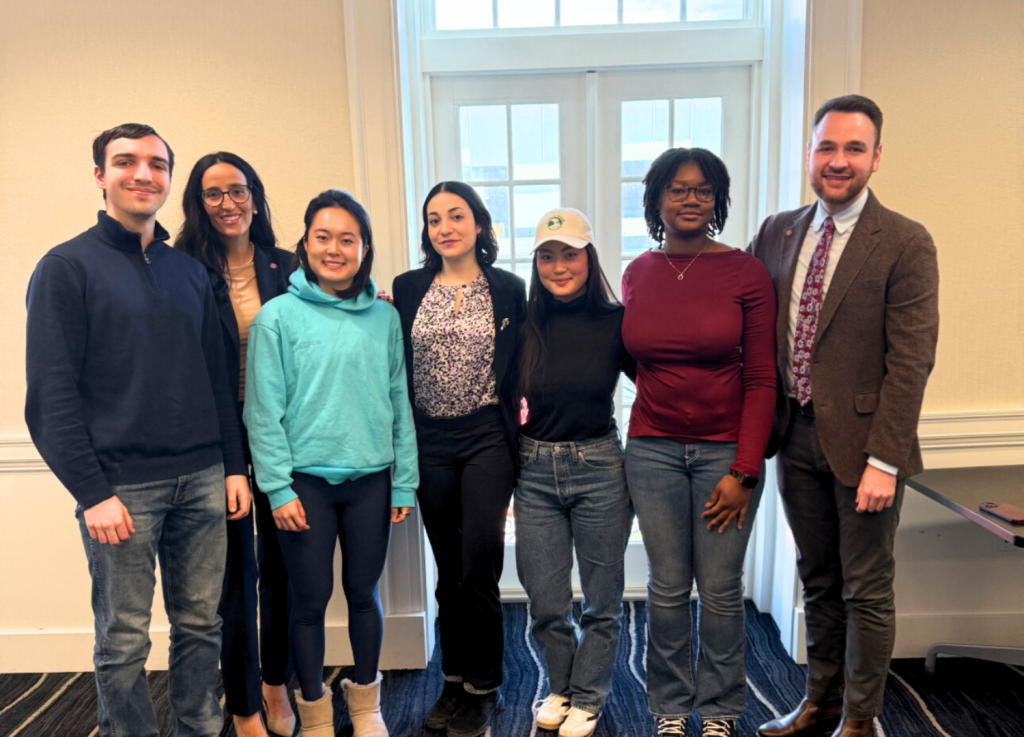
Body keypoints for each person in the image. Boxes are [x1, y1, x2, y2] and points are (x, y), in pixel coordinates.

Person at [25, 124, 250, 737]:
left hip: (204, 480)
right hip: (122, 492)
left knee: (201, 625)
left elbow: (217, 376)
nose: (143, 174)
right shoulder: (66, 268)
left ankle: (199, 728)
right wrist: (92, 492)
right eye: (126, 162)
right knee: (123, 640)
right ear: (100, 175)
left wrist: (232, 466)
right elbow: (50, 396)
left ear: (169, 179)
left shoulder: (189, 272)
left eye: (156, 164)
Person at [751, 95, 939, 737]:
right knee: (819, 579)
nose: (838, 160)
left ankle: (861, 719)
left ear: (876, 157)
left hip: (867, 450)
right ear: (809, 154)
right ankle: (820, 702)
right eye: (826, 147)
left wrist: (884, 460)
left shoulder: (906, 242)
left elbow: (911, 361)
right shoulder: (778, 231)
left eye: (854, 148)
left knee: (865, 586)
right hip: (794, 436)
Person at [243, 189, 417, 737]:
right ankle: (314, 710)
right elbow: (262, 412)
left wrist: (404, 484)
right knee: (309, 600)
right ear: (305, 243)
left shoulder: (384, 318)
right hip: (303, 485)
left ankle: (366, 706)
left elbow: (398, 403)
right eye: (324, 237)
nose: (335, 249)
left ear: (364, 248)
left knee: (364, 596)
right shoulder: (277, 318)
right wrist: (276, 488)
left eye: (348, 239)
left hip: (370, 481)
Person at [622, 148, 777, 737]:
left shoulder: (745, 271)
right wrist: (670, 397)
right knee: (665, 587)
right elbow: (639, 360)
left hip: (724, 454)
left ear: (718, 200)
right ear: (657, 198)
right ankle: (668, 707)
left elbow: (762, 378)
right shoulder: (638, 271)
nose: (691, 199)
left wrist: (744, 472)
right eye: (678, 189)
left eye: (704, 190)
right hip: (653, 450)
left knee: (718, 589)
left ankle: (718, 710)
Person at [392, 181, 526, 737]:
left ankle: (484, 685)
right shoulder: (406, 288)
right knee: (448, 567)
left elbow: (522, 364)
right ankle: (452, 680)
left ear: (478, 223)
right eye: (433, 218)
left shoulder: (508, 288)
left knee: (479, 565)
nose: (444, 227)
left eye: (456, 215)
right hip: (428, 441)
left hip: (486, 439)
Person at [174, 152, 295, 737]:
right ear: (198, 202)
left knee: (283, 571)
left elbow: (333, 316)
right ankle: (244, 705)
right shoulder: (181, 270)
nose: (228, 203)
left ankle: (277, 688)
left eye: (238, 190)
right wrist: (229, 460)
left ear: (255, 195)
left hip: (284, 437)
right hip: (215, 442)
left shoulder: (289, 267)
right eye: (214, 193)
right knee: (233, 579)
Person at [514, 209, 637, 737]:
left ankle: (589, 696)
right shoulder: (520, 322)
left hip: (600, 469)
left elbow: (662, 379)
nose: (559, 266)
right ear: (536, 262)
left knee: (602, 599)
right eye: (547, 255)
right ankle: (560, 687)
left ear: (589, 258)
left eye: (570, 254)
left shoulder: (617, 320)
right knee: (545, 601)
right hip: (533, 470)